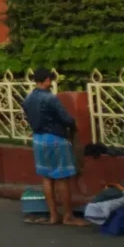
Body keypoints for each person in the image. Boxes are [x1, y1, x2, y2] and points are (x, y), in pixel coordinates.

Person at [23, 68, 84, 226]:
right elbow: (66, 118)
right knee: (62, 177)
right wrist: (73, 125)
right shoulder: (51, 98)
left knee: (47, 177)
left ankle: (53, 215)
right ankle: (68, 216)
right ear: (47, 80)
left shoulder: (29, 99)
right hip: (56, 139)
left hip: (38, 139)